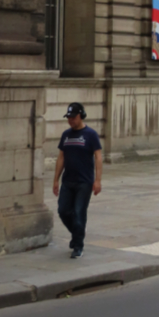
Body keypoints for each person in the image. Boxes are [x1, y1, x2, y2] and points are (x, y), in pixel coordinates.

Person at [53, 102, 102, 259]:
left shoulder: (90, 135)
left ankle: (78, 245)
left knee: (79, 212)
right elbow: (61, 157)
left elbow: (98, 157)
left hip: (84, 182)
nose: (70, 120)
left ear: (81, 116)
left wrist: (98, 180)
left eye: (73, 117)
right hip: (68, 181)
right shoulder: (66, 135)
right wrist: (56, 180)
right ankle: (77, 233)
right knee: (63, 210)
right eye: (68, 118)